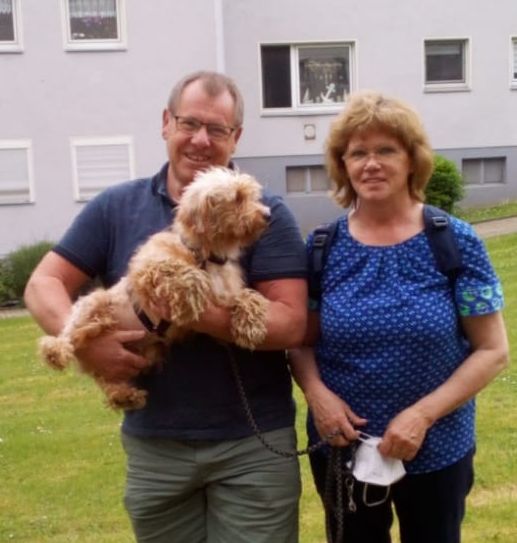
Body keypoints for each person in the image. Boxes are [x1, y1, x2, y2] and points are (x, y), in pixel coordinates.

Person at [24, 71, 308, 543]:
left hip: (251, 445)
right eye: (189, 123)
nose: (201, 140)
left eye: (216, 129)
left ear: (236, 137)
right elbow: (43, 283)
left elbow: (292, 323)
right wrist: (87, 345)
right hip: (155, 445)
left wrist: (192, 309)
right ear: (166, 123)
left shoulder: (264, 215)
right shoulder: (117, 206)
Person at [289, 91, 509, 543]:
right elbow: (300, 339)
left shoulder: (454, 241)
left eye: (386, 150)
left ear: (412, 160)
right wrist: (316, 395)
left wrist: (422, 416)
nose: (371, 164)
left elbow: (493, 351)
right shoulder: (321, 248)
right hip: (342, 448)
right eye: (358, 153)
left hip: (438, 446)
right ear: (343, 165)